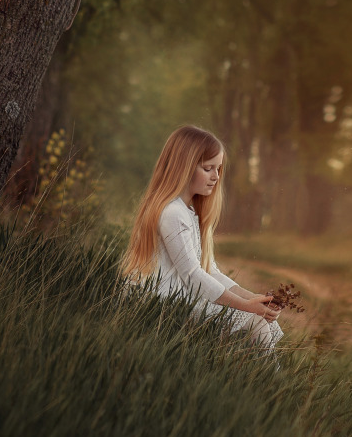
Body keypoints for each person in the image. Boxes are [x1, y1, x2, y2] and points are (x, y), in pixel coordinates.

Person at [119, 125, 283, 351]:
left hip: (182, 299)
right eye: (208, 168)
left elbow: (209, 271)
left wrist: (252, 298)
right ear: (183, 167)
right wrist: (246, 306)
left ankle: (252, 376)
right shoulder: (172, 212)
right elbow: (192, 275)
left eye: (218, 169)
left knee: (260, 322)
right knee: (255, 323)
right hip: (165, 304)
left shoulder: (189, 211)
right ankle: (265, 382)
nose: (216, 176)